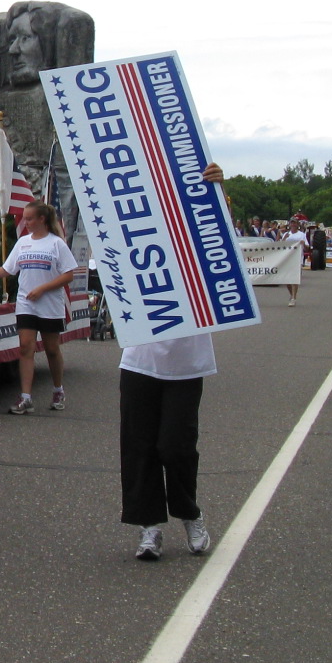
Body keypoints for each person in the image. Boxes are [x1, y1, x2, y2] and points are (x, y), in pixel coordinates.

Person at [118, 162, 225, 561]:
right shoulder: (137, 237)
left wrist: (216, 194)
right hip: (140, 360)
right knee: (139, 445)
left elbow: (222, 246)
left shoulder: (198, 245)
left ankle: (190, 513)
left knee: (177, 446)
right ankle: (149, 526)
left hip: (186, 362)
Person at [0, 201, 84, 414]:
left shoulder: (56, 244)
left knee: (51, 349)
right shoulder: (23, 242)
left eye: (30, 218)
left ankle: (58, 389)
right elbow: (8, 269)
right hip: (26, 303)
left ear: (42, 219)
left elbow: (68, 275)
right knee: (25, 347)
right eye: (25, 218)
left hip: (50, 304)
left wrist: (43, 289)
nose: (26, 222)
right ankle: (25, 397)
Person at [283, 222, 308, 306]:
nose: (293, 225)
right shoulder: (286, 234)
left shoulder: (301, 235)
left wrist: (303, 243)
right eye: (292, 223)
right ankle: (291, 294)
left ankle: (293, 298)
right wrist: (284, 238)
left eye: (294, 223)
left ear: (297, 225)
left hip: (297, 258)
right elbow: (280, 246)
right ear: (289, 225)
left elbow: (307, 246)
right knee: (287, 280)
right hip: (287, 259)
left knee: (294, 279)